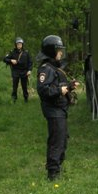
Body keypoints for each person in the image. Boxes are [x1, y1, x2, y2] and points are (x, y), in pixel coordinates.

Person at [36, 35, 80, 181]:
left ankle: (58, 167)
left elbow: (57, 85)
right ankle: (53, 173)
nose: (61, 53)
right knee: (57, 141)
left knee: (62, 139)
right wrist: (61, 90)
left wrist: (69, 86)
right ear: (51, 51)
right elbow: (44, 90)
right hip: (53, 110)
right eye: (58, 50)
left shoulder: (54, 68)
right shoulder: (46, 69)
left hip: (60, 109)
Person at [3, 37, 33, 103]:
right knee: (15, 86)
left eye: (20, 44)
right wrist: (11, 60)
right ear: (15, 45)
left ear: (22, 45)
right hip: (15, 71)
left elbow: (30, 62)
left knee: (24, 87)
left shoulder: (26, 52)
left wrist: (29, 70)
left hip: (24, 71)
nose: (19, 45)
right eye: (18, 44)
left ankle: (26, 99)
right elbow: (5, 59)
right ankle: (14, 99)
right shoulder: (12, 52)